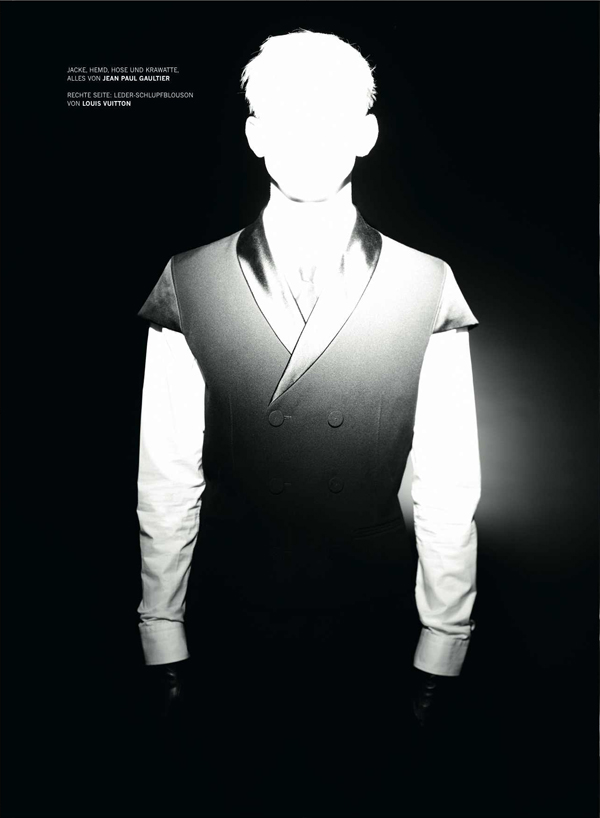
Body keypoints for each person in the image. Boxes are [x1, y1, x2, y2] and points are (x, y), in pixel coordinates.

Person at [136, 29, 481, 817]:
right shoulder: (188, 279)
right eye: (285, 113)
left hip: (372, 625)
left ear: (367, 133)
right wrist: (163, 633)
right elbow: (167, 477)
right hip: (230, 623)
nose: (308, 134)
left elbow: (448, 484)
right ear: (255, 134)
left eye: (330, 113)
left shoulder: (428, 283)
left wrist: (443, 645)